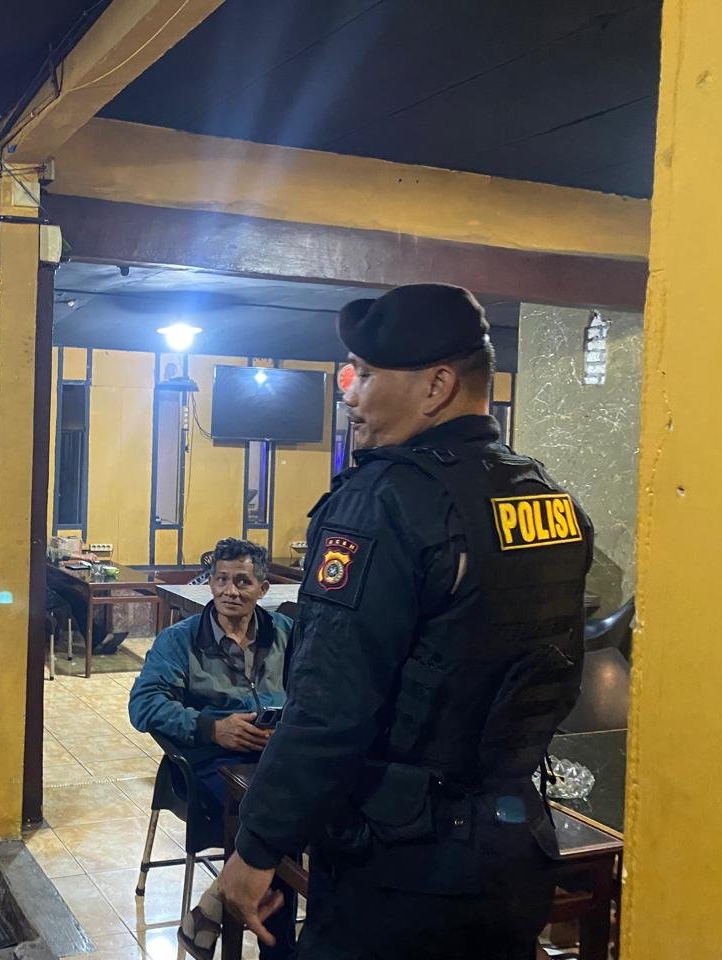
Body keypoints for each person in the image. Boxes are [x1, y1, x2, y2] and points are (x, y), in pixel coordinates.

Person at [218, 283, 593, 959]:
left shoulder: (385, 503)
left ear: (436, 386)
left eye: (365, 375)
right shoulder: (551, 501)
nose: (349, 395)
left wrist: (257, 846)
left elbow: (329, 705)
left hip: (402, 865)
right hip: (516, 846)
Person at [128, 538, 297, 960]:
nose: (229, 591)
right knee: (275, 817)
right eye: (221, 580)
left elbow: (316, 693)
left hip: (276, 761)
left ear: (263, 588)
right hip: (209, 765)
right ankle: (278, 951)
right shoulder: (180, 640)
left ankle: (215, 905)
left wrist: (286, 728)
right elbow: (143, 705)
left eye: (242, 581)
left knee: (324, 807)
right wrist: (211, 728)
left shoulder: (285, 634)